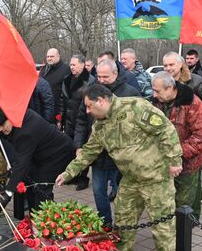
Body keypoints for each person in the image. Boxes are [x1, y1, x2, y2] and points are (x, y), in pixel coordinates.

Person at [56, 84, 182, 251]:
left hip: (156, 179)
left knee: (163, 226)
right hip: (130, 180)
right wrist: (69, 172)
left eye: (89, 106)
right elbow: (90, 151)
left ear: (102, 101)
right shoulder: (99, 125)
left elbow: (166, 130)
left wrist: (175, 160)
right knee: (123, 218)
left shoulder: (135, 106)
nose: (87, 111)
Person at [73, 58, 140, 226]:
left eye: (105, 77)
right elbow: (81, 120)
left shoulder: (130, 92)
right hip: (98, 154)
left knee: (121, 192)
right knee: (98, 191)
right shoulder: (90, 92)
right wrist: (79, 145)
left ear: (115, 74)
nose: (101, 80)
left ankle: (123, 225)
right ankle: (106, 223)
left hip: (122, 156)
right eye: (98, 76)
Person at [152, 72, 202, 219]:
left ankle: (185, 231)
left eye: (157, 91)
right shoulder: (156, 103)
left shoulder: (192, 104)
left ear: (170, 88)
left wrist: (176, 153)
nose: (154, 95)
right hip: (164, 163)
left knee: (184, 203)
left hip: (188, 163)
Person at [0, 107, 75, 212]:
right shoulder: (15, 118)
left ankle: (45, 221)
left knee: (41, 187)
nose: (1, 129)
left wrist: (7, 195)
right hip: (40, 153)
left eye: (3, 125)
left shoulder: (26, 132)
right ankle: (34, 217)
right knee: (30, 182)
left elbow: (21, 163)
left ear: (10, 118)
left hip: (57, 153)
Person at [59, 55, 95, 190]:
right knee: (70, 148)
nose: (72, 67)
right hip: (68, 121)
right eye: (71, 65)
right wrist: (60, 118)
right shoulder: (67, 80)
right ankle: (72, 174)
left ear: (82, 65)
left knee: (82, 149)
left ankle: (83, 178)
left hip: (83, 120)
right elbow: (62, 99)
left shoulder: (90, 81)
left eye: (74, 65)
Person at [39, 48, 71, 123]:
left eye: (52, 56)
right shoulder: (44, 69)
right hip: (42, 109)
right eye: (48, 57)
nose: (49, 58)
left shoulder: (66, 70)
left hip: (56, 112)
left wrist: (60, 116)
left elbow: (66, 96)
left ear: (58, 56)